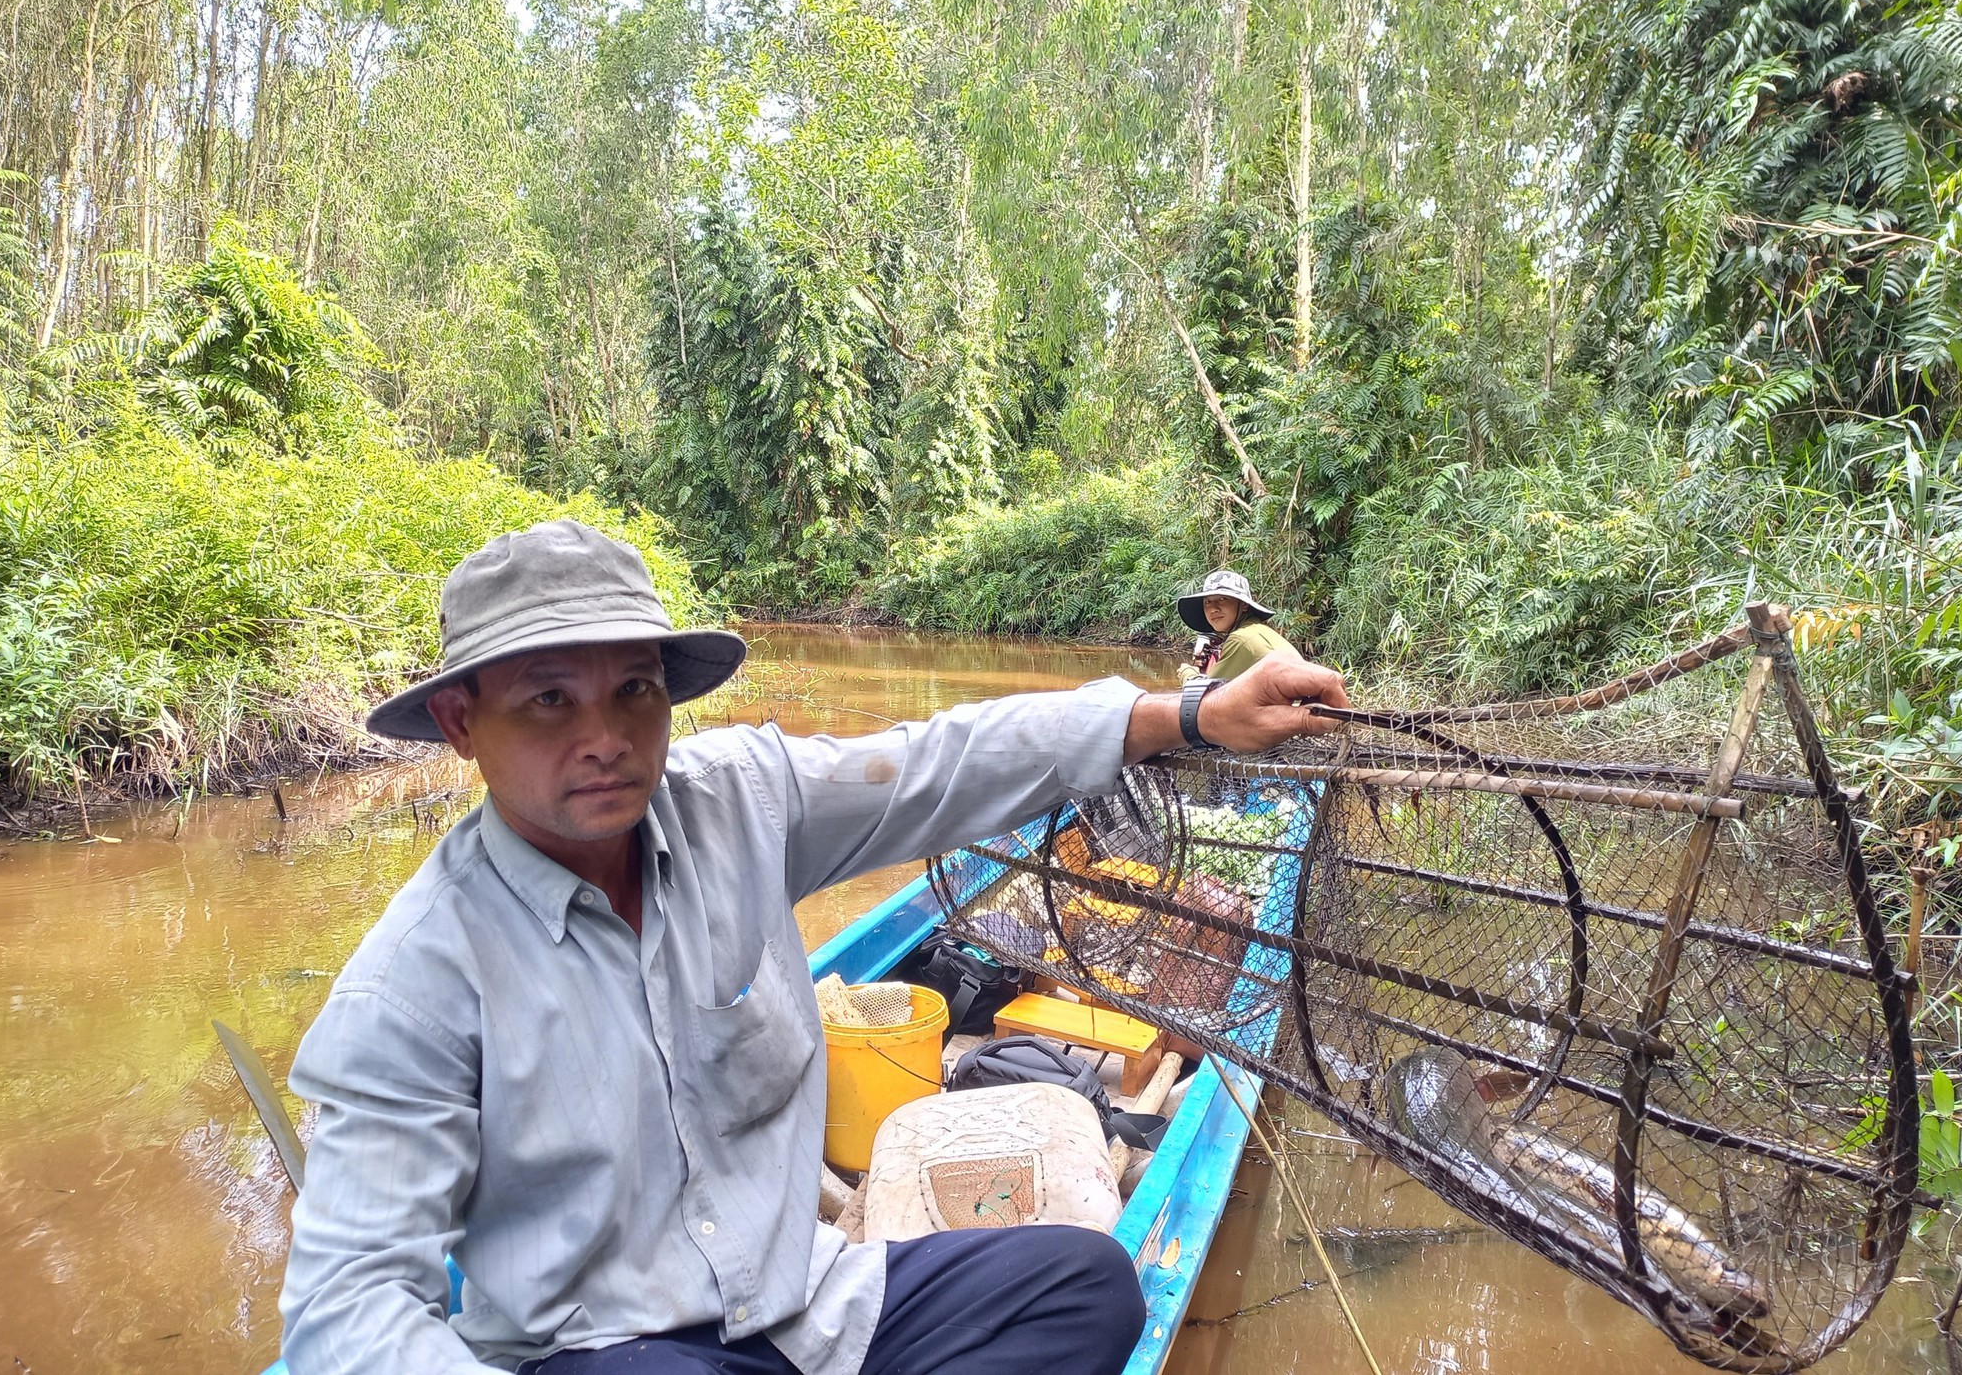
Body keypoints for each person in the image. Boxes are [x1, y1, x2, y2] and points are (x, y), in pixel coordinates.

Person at [278, 519, 1348, 1375]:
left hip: (809, 1314)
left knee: (1087, 1287)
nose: (604, 737)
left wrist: (1190, 715)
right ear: (462, 722)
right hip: (604, 1349)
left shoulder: (734, 804)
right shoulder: (410, 984)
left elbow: (943, 762)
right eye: (548, 700)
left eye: (633, 690)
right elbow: (349, 1309)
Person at [1175, 569, 1300, 682]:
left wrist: (1188, 674)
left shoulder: (1240, 639)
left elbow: (1207, 697)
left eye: (1223, 599)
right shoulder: (1258, 630)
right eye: (1207, 602)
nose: (1213, 609)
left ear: (1244, 605)